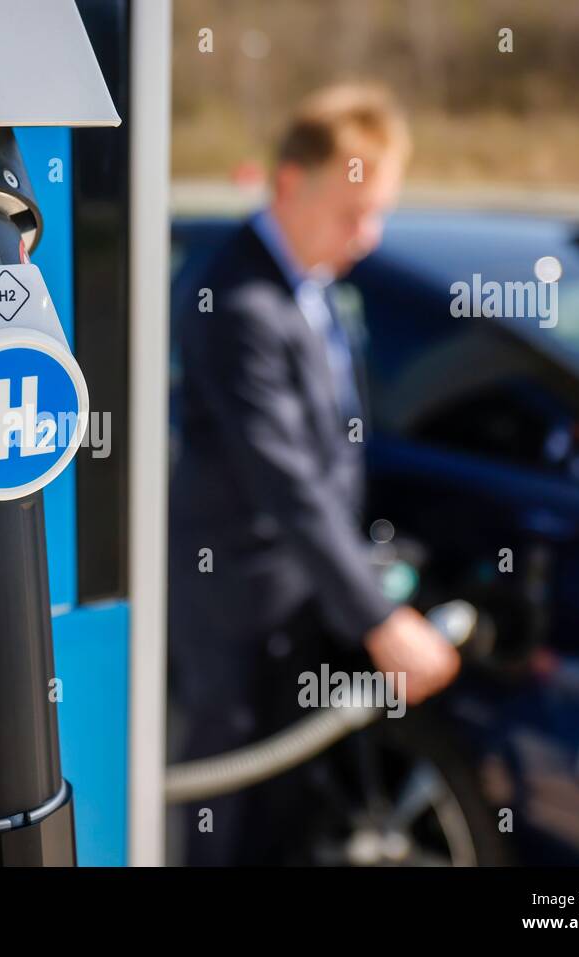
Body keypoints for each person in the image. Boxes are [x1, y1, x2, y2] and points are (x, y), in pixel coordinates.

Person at [168, 84, 461, 866]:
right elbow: (286, 476)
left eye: (380, 212)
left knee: (290, 809)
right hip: (239, 603)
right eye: (353, 212)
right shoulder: (235, 299)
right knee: (230, 807)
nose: (368, 236)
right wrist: (377, 616)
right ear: (289, 184)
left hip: (306, 595)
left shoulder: (318, 285)